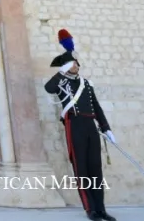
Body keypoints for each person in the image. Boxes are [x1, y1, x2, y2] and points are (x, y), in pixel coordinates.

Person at [45, 29, 117, 221]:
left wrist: (106, 128)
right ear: (66, 66)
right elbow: (48, 88)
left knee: (96, 169)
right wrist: (61, 73)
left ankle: (101, 209)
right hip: (74, 125)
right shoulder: (61, 83)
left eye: (76, 62)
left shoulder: (86, 84)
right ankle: (90, 209)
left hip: (90, 127)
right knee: (81, 169)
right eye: (72, 63)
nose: (76, 65)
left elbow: (98, 108)